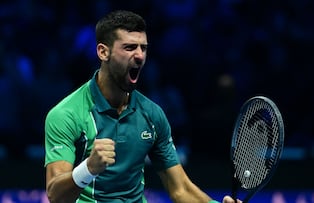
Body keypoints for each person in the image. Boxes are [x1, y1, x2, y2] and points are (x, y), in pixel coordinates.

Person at [44, 10, 241, 203]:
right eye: (129, 47)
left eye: (143, 48)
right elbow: (56, 196)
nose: (139, 56)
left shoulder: (153, 115)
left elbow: (180, 190)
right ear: (103, 52)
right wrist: (88, 168)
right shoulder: (66, 114)